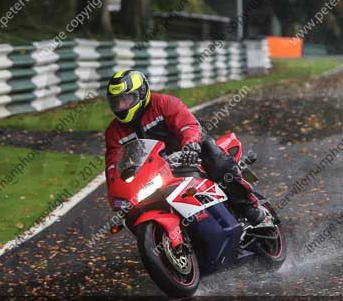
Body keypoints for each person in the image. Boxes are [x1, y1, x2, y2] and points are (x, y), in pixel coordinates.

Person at [104, 69, 267, 225]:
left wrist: (191, 144)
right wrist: (116, 190)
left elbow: (187, 125)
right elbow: (113, 163)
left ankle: (248, 207)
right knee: (132, 209)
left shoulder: (165, 103)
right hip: (157, 167)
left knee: (220, 167)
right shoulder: (114, 131)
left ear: (141, 93)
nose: (122, 105)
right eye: (117, 102)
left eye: (126, 99)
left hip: (191, 149)